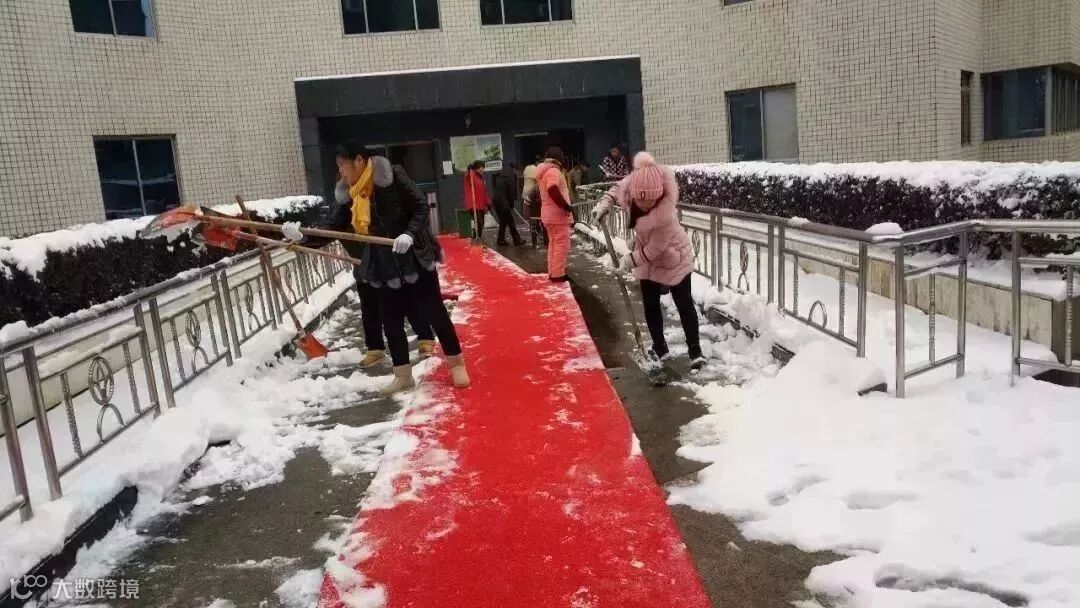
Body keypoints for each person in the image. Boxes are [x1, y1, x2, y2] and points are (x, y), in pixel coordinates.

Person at [284, 144, 469, 394]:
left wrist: (409, 233)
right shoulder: (348, 192)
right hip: (382, 263)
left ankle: (456, 364)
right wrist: (302, 236)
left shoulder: (392, 176)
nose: (341, 171)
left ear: (359, 160)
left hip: (413, 256)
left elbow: (421, 207)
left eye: (343, 165)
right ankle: (403, 375)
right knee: (391, 321)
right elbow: (332, 227)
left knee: (434, 311)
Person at [285, 173, 438, 367]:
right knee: (369, 307)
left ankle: (425, 337)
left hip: (390, 262)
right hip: (364, 265)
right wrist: (303, 237)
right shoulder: (342, 205)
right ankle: (375, 348)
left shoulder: (378, 197)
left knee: (408, 301)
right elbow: (327, 230)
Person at [591, 152, 703, 369]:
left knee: (683, 303)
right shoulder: (634, 184)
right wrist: (605, 203)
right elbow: (617, 188)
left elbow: (655, 249)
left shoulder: (666, 215)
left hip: (674, 257)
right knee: (650, 303)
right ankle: (660, 348)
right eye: (640, 201)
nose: (644, 206)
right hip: (646, 255)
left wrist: (628, 261)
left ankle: (695, 351)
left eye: (650, 202)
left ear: (659, 195)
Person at [536, 147, 573, 282]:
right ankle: (558, 274)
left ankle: (553, 271)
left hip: (549, 215)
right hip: (557, 216)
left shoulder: (545, 171)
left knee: (553, 244)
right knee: (562, 245)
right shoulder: (553, 171)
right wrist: (565, 206)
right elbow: (553, 189)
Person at [492, 162, 524, 246]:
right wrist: (511, 203)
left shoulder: (501, 176)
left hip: (496, 200)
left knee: (504, 221)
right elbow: (511, 192)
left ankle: (501, 240)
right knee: (510, 220)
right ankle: (516, 240)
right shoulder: (511, 177)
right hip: (503, 202)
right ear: (516, 170)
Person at [522, 156, 546, 246]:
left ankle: (535, 235)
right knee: (539, 217)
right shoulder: (536, 169)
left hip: (526, 193)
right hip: (535, 193)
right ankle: (542, 236)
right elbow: (539, 179)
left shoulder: (526, 168)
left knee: (532, 218)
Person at [463, 161, 490, 241]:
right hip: (473, 204)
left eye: (483, 168)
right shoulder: (471, 175)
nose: (483, 170)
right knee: (479, 222)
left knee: (481, 223)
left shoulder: (481, 178)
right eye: (481, 167)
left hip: (481, 205)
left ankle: (477, 238)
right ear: (477, 168)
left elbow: (484, 192)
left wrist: (488, 203)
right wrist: (469, 169)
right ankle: (475, 239)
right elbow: (467, 176)